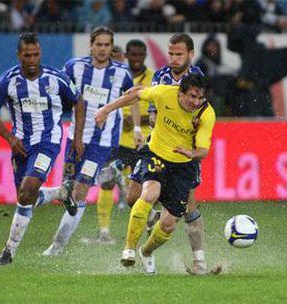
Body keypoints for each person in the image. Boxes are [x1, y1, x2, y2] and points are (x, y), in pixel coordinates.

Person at [95, 74, 216, 274]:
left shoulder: (206, 114)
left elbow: (203, 151)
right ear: (181, 93)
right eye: (192, 97)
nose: (196, 102)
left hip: (183, 167)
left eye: (200, 98)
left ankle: (146, 251)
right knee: (147, 194)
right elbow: (136, 96)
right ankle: (129, 249)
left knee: (168, 225)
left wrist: (191, 153)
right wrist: (106, 109)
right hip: (155, 154)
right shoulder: (164, 93)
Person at [0, 33, 85, 265]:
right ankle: (60, 192)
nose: (32, 59)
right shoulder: (7, 81)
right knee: (25, 198)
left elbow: (78, 101)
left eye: (36, 54)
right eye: (27, 55)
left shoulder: (55, 78)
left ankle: (8, 252)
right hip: (20, 145)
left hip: (48, 142)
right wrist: (10, 138)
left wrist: (77, 137)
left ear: (40, 53)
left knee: (28, 189)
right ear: (19, 55)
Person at [41, 27, 139, 256]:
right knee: (68, 190)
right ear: (91, 45)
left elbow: (133, 96)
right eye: (99, 44)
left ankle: (57, 246)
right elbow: (59, 92)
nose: (103, 49)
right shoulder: (74, 67)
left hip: (102, 143)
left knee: (80, 191)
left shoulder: (122, 73)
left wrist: (135, 127)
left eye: (107, 45)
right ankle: (109, 174)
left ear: (111, 46)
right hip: (76, 137)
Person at [127, 33, 211, 275]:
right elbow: (152, 105)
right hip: (156, 147)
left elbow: (200, 115)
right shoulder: (161, 75)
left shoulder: (197, 79)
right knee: (133, 197)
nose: (174, 59)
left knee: (190, 207)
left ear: (191, 55)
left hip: (183, 155)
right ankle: (152, 217)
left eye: (179, 54)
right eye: (171, 53)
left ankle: (199, 262)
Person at [89, 39, 153, 244]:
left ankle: (147, 226)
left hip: (146, 144)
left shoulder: (153, 78)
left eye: (140, 55)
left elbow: (158, 108)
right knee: (107, 182)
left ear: (144, 56)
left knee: (143, 190)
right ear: (126, 55)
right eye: (132, 55)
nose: (136, 58)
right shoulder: (118, 76)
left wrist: (137, 122)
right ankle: (104, 232)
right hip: (118, 141)